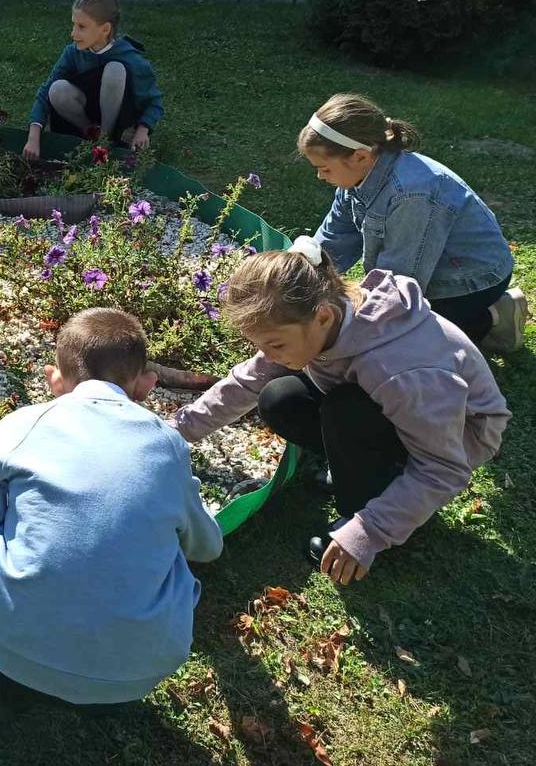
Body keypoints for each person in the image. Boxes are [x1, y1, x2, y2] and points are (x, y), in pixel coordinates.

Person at [0, 308, 223, 708]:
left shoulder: (18, 429)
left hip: (13, 652)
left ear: (54, 380)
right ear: (146, 385)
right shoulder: (168, 446)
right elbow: (205, 547)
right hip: (139, 670)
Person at [171, 242, 510, 586]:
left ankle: (367, 504)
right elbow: (248, 381)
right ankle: (370, 472)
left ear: (322, 317)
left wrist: (368, 532)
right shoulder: (319, 318)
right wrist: (174, 432)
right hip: (398, 412)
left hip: (458, 438)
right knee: (279, 398)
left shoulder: (395, 369)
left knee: (346, 412)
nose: (269, 356)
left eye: (275, 345)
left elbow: (445, 468)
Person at [303, 93, 525, 353]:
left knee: (407, 345)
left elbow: (400, 286)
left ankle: (493, 315)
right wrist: (301, 270)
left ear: (361, 156)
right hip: (428, 269)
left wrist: (352, 311)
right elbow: (334, 238)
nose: (320, 176)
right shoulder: (355, 176)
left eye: (325, 168)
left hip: (469, 280)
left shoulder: (412, 194)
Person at [24, 0, 162, 161]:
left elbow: (153, 101)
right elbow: (45, 92)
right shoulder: (72, 53)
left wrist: (143, 130)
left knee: (115, 70)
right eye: (73, 25)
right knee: (57, 88)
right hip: (83, 116)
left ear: (104, 29)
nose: (73, 33)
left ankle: (106, 139)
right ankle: (91, 133)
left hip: (117, 120)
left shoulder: (131, 58)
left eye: (81, 27)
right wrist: (33, 137)